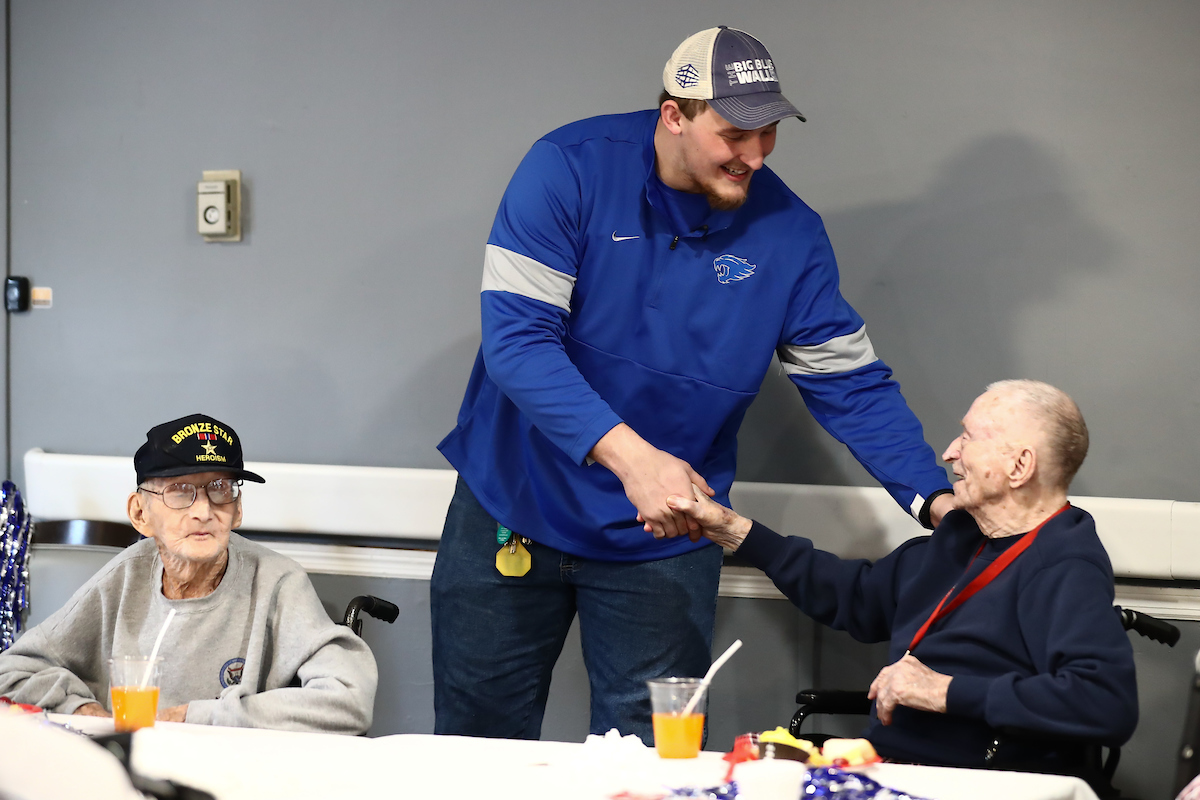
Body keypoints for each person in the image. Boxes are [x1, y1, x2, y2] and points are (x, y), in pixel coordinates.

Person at [432, 26, 954, 743]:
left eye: (769, 132)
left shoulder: (791, 235)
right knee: (472, 755)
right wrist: (635, 460)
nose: (755, 154)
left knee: (655, 767)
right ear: (674, 114)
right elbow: (517, 345)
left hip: (665, 538)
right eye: (735, 132)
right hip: (511, 508)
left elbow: (850, 384)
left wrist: (937, 497)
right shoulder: (567, 169)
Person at [667, 379, 1138, 770]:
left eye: (970, 438)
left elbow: (1104, 702)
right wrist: (736, 532)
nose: (951, 451)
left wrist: (945, 691)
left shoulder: (1064, 563)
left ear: (1019, 466)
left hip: (978, 781)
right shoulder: (960, 538)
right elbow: (855, 597)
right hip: (888, 767)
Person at [0, 414, 378, 733]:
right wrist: (82, 709)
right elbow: (13, 671)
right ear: (140, 514)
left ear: (238, 509)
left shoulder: (278, 582)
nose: (203, 510)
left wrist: (201, 716)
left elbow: (349, 699)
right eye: (180, 491)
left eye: (220, 489)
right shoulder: (125, 576)